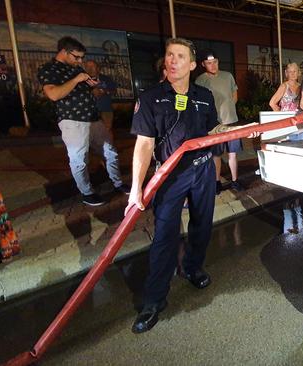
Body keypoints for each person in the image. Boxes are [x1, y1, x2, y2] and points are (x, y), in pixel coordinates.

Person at [126, 38, 219, 334]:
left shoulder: (205, 95)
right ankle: (154, 300)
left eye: (180, 56)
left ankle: (192, 268)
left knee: (202, 226)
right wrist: (135, 187)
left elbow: (212, 131)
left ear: (193, 64)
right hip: (169, 176)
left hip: (202, 170)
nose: (173, 60)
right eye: (169, 55)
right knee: (164, 236)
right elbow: (144, 143)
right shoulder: (151, 98)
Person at [38, 36, 129, 207]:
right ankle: (87, 193)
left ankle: (118, 183)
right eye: (76, 57)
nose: (80, 61)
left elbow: (84, 93)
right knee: (79, 159)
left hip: (94, 118)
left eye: (82, 57)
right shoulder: (49, 68)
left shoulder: (75, 69)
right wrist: (76, 80)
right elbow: (53, 94)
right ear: (64, 51)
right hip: (73, 121)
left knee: (110, 152)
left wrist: (93, 87)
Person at [195, 52, 245, 193]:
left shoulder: (228, 76)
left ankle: (235, 180)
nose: (213, 65)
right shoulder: (200, 80)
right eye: (209, 63)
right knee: (216, 154)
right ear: (203, 64)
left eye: (215, 61)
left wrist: (230, 106)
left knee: (233, 153)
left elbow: (234, 92)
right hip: (214, 124)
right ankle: (217, 182)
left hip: (231, 121)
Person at [84, 60, 117, 140]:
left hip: (105, 109)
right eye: (87, 67)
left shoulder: (106, 79)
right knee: (89, 132)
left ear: (98, 68)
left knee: (107, 130)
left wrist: (102, 91)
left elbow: (114, 91)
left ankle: (110, 149)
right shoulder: (82, 80)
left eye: (92, 66)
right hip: (89, 111)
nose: (90, 69)